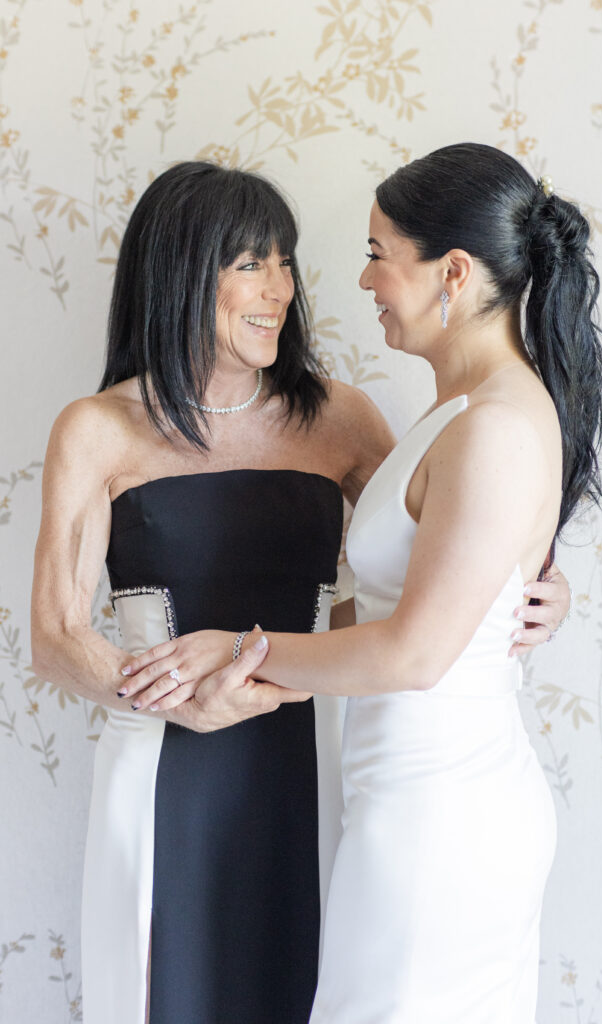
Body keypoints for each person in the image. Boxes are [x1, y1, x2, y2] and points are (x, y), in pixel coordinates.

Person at [32, 160, 569, 1024]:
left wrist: (542, 586)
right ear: (179, 270)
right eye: (251, 263)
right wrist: (167, 697)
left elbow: (444, 536)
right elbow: (56, 635)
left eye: (284, 261)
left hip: (315, 757)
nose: (281, 287)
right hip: (160, 760)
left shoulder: (342, 418)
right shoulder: (96, 429)